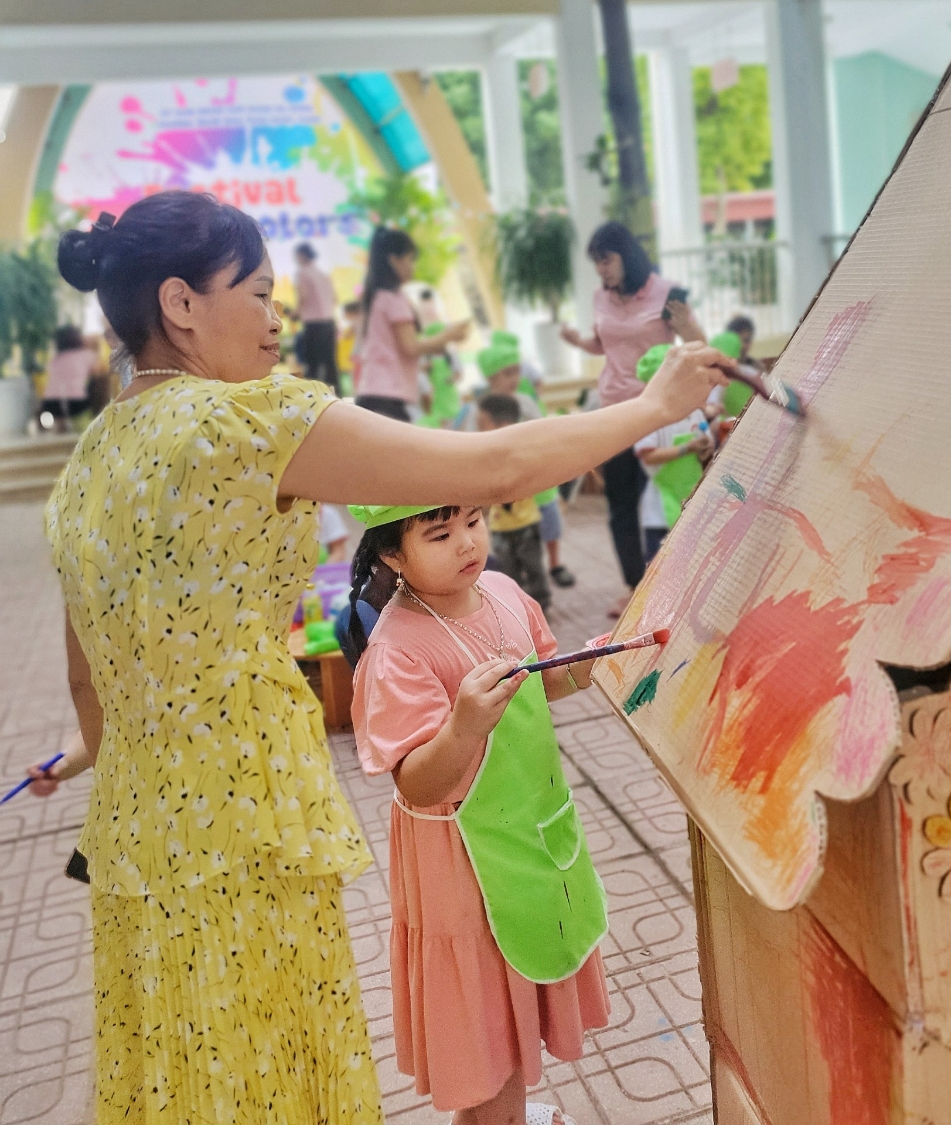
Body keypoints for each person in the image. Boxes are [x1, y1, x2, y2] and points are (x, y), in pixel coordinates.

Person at [38, 190, 732, 1125]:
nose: (278, 318)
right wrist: (652, 406)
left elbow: (89, 672)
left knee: (191, 1063)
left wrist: (88, 752)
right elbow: (491, 468)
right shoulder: (241, 423)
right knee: (274, 1060)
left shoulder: (88, 460)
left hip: (138, 825)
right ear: (181, 303)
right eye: (258, 293)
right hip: (245, 812)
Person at [347, 500, 608, 1125]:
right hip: (461, 860)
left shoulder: (505, 593)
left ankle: (506, 1111)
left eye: (473, 521)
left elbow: (541, 680)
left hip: (530, 828)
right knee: (484, 1023)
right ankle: (497, 1115)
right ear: (392, 555)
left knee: (518, 985)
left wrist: (586, 667)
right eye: (440, 534)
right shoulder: (398, 649)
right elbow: (417, 782)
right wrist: (463, 727)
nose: (467, 543)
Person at [560, 222, 705, 612]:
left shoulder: (665, 292)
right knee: (621, 503)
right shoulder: (600, 297)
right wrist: (577, 342)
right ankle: (634, 586)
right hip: (615, 411)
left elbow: (698, 344)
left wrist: (686, 325)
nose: (601, 269)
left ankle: (677, 580)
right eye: (596, 262)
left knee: (665, 498)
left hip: (658, 410)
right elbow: (603, 343)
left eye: (606, 260)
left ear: (627, 255)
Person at [466, 336, 576, 588]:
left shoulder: (526, 402)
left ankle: (555, 565)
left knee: (549, 523)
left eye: (517, 371)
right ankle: (517, 575)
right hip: (506, 483)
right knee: (511, 532)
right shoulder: (481, 410)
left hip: (537, 479)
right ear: (491, 377)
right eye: (507, 373)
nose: (514, 378)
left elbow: (542, 433)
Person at [356, 226, 469, 422]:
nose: (412, 267)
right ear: (394, 260)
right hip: (388, 394)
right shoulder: (393, 297)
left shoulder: (376, 297)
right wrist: (448, 335)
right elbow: (410, 346)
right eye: (410, 260)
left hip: (374, 392)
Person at [633, 344, 713, 563]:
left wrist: (704, 449)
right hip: (661, 508)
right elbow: (648, 455)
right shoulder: (650, 417)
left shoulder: (694, 411)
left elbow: (705, 450)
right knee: (663, 568)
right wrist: (686, 448)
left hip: (694, 497)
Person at [475, 392, 552, 614]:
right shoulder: (486, 457)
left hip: (526, 524)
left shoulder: (520, 454)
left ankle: (542, 607)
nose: (479, 430)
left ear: (503, 425)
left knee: (534, 568)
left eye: (483, 424)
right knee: (508, 573)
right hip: (500, 527)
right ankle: (517, 610)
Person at [292, 241, 339, 391]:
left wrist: (295, 313)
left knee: (313, 364)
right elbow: (335, 298)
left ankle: (313, 396)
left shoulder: (303, 273)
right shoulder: (323, 275)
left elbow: (303, 297)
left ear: (302, 255)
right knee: (330, 363)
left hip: (314, 325)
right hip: (329, 323)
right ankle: (336, 394)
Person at [39, 325, 102, 431]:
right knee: (96, 384)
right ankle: (85, 423)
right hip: (77, 402)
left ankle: (60, 425)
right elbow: (99, 372)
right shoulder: (87, 355)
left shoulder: (55, 359)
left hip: (51, 403)